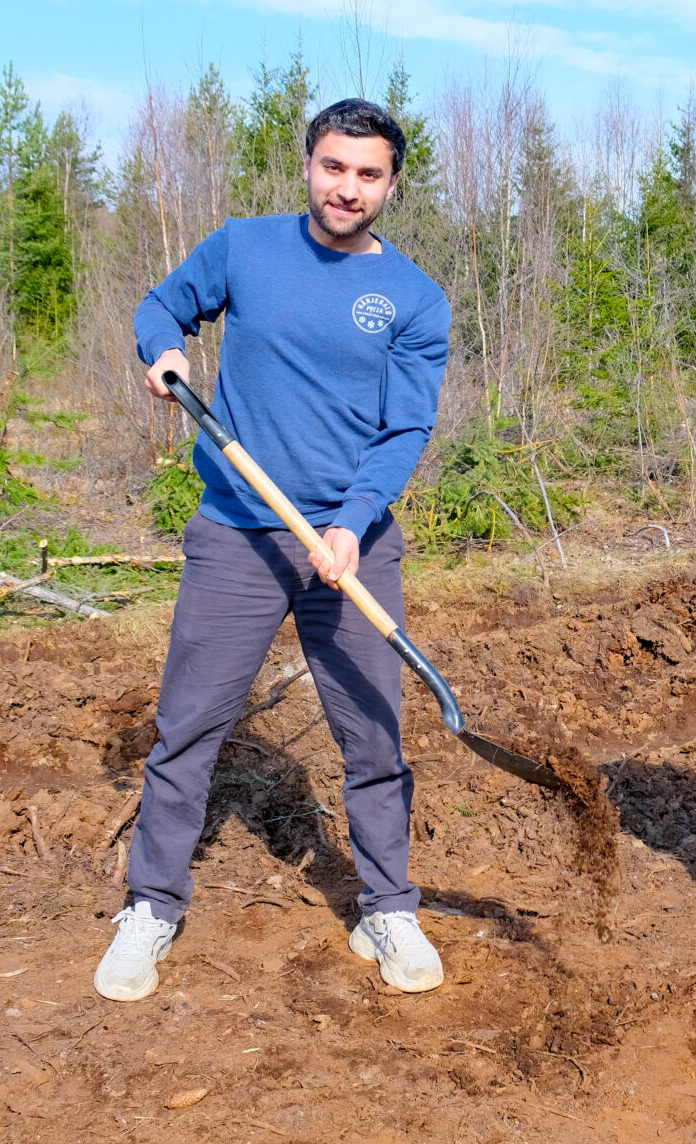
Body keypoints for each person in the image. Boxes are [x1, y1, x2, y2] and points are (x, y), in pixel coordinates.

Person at [94, 98, 451, 1001]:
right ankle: (152, 906)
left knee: (374, 735)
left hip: (352, 544)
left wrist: (352, 519)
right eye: (335, 167)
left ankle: (388, 906)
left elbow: (406, 424)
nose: (349, 188)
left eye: (369, 175)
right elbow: (162, 303)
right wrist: (164, 350)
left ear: (391, 185)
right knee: (190, 728)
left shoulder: (414, 298)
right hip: (235, 536)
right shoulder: (244, 247)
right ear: (309, 165)